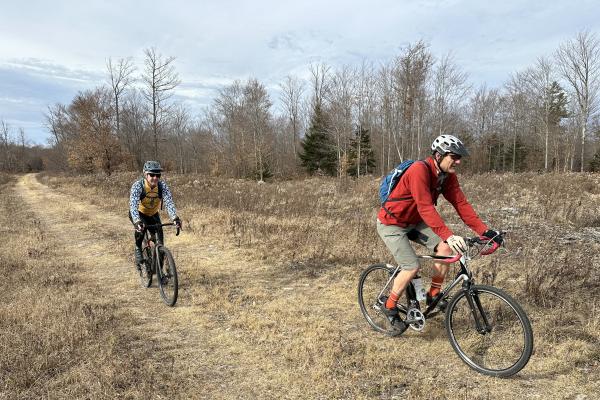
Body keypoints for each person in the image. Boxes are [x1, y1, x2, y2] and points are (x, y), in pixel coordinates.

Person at [376, 134, 501, 327]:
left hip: (414, 222)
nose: (458, 161)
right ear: (438, 155)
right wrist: (449, 235)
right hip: (392, 224)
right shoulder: (419, 170)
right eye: (453, 156)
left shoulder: (447, 177)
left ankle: (433, 294)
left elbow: (461, 204)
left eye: (459, 157)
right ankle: (389, 304)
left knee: (445, 249)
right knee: (411, 266)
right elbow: (425, 206)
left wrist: (485, 232)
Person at [129, 161, 182, 267]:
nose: (155, 177)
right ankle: (138, 247)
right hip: (140, 214)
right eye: (152, 174)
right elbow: (133, 205)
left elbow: (169, 203)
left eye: (158, 175)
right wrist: (137, 221)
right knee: (141, 231)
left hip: (153, 214)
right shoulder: (138, 186)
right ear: (145, 174)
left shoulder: (162, 186)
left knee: (160, 244)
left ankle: (160, 273)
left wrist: (175, 218)